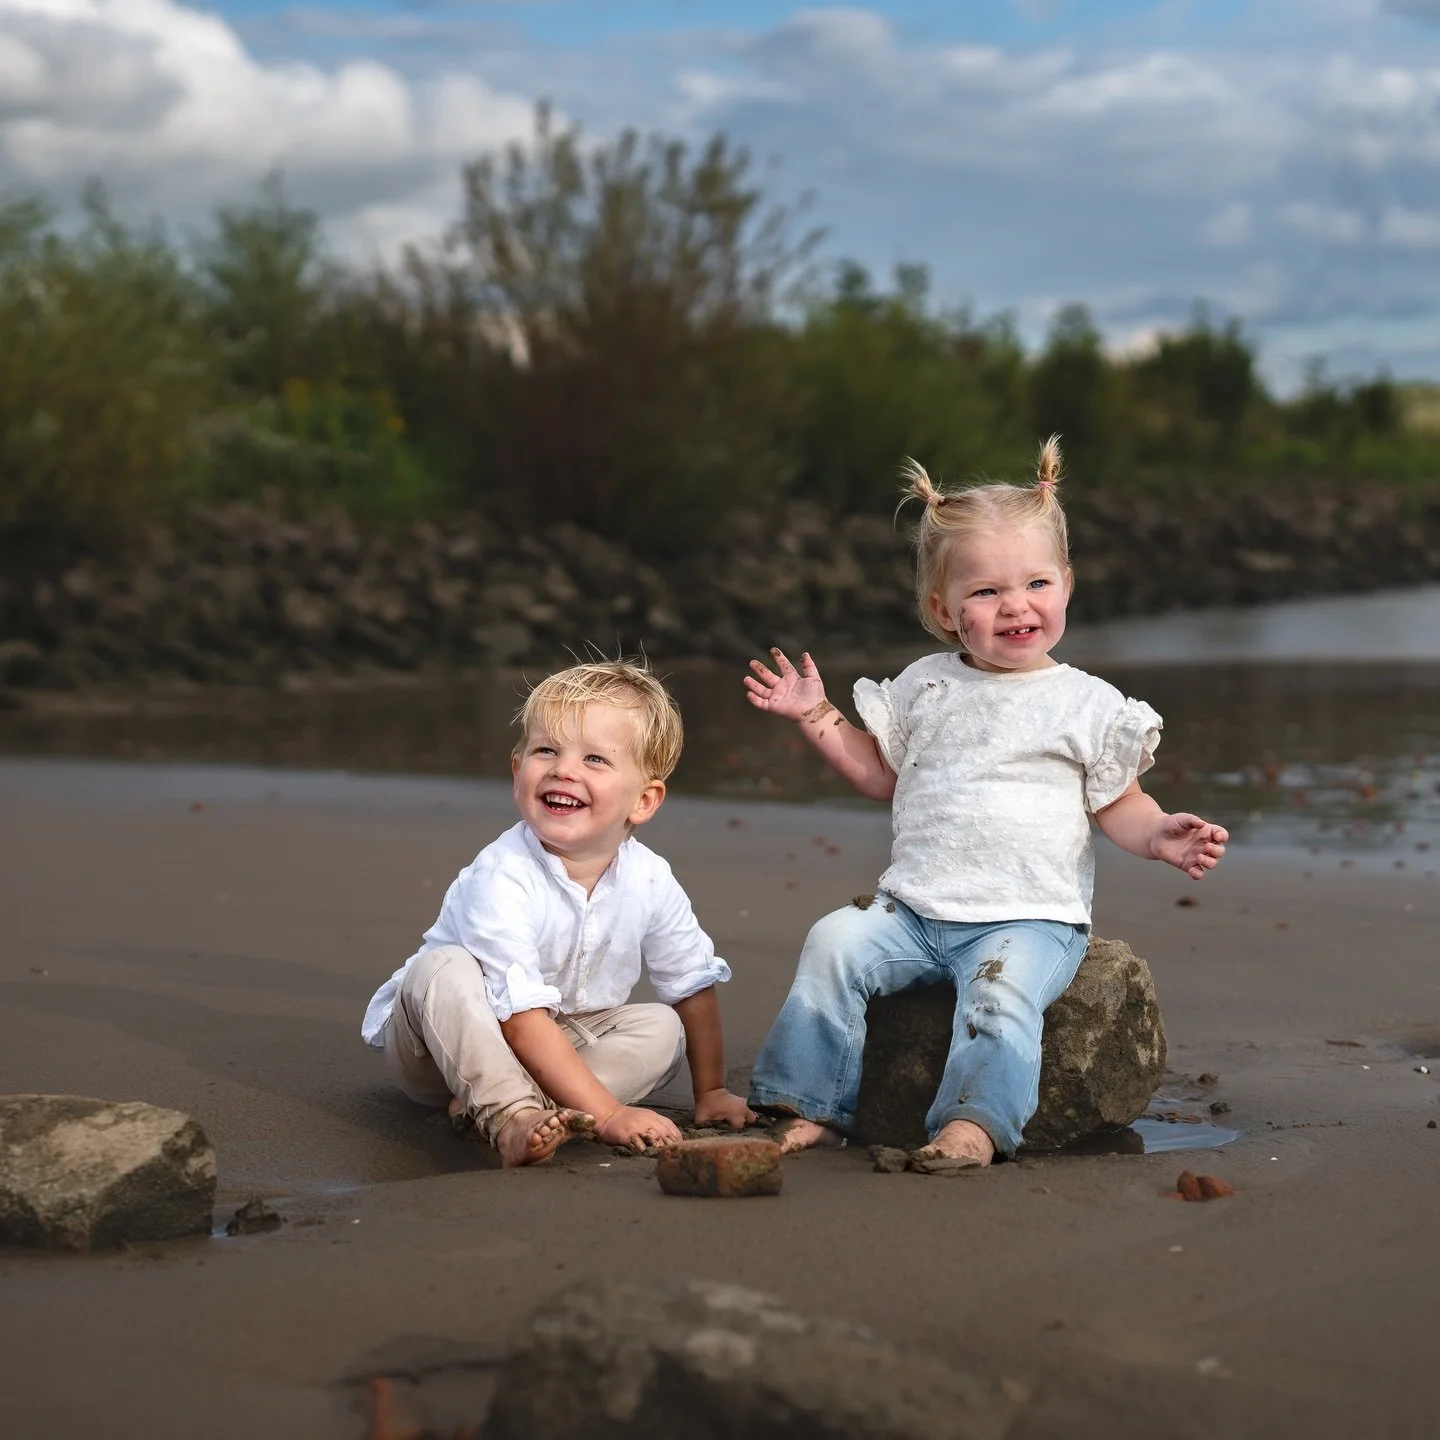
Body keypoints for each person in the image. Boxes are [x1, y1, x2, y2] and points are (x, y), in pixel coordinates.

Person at [742, 438, 1228, 1172]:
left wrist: (1161, 834)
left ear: (1066, 584)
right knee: (832, 944)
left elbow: (1118, 803)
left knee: (999, 1003)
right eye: (985, 592)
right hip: (913, 910)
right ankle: (810, 1103)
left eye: (1036, 583)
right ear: (942, 607)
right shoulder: (926, 685)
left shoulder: (1086, 704)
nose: (1016, 606)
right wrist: (817, 716)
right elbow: (881, 776)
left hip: (1028, 916)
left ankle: (975, 1124)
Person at [361, 659, 754, 1167]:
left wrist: (713, 1091)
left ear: (644, 800)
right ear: (516, 769)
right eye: (546, 750)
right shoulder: (503, 873)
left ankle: (513, 1107)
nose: (563, 769)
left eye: (595, 759)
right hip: (444, 1042)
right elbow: (521, 1018)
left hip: (566, 1031)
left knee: (662, 1029)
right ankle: (509, 1115)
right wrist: (610, 1115)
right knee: (441, 969)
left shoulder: (651, 878)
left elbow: (690, 983)